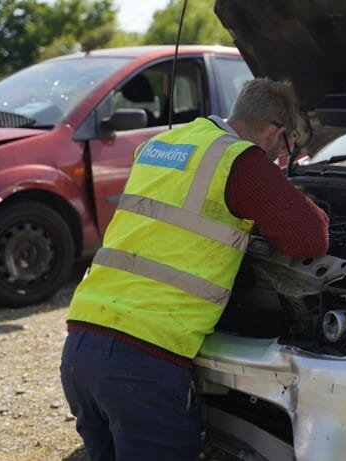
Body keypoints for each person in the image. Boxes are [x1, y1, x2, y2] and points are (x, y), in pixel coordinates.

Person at [59, 78, 329, 460]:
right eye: (284, 147)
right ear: (275, 132)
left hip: (81, 346)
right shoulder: (240, 160)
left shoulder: (164, 143)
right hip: (142, 362)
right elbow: (309, 238)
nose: (280, 155)